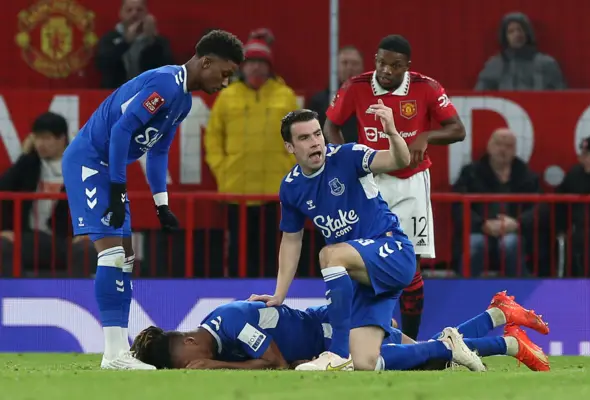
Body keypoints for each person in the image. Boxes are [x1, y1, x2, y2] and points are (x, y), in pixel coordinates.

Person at [61, 29, 245, 370]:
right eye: (225, 73)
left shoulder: (184, 100)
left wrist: (162, 203)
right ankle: (114, 355)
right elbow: (120, 131)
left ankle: (119, 351)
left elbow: (158, 150)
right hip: (90, 163)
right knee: (113, 255)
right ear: (206, 62)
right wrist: (117, 188)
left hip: (108, 169)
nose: (225, 82)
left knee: (126, 256)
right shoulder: (166, 84)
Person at [249, 104, 422, 372]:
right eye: (304, 138)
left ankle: (337, 354)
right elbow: (291, 240)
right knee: (366, 362)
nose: (315, 142)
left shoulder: (348, 155)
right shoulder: (291, 187)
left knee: (329, 254)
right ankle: (457, 347)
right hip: (361, 277)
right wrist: (279, 294)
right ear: (290, 147)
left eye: (317, 134)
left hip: (392, 250)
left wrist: (392, 132)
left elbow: (399, 161)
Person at [324, 35, 466, 340]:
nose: (387, 70)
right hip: (371, 181)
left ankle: (410, 342)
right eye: (382, 63)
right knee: (363, 259)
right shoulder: (356, 86)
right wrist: (345, 158)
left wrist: (425, 136)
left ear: (407, 66)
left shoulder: (426, 87)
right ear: (375, 59)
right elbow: (330, 124)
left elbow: (458, 130)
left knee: (409, 265)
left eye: (395, 65)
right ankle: (362, 333)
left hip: (411, 183)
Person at [130, 291, 549, 372]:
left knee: (419, 358)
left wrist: (212, 367)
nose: (191, 369)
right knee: (428, 353)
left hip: (336, 328)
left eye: (184, 364)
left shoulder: (230, 322)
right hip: (326, 332)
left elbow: (274, 363)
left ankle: (509, 343)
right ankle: (499, 314)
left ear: (187, 343)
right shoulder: (223, 327)